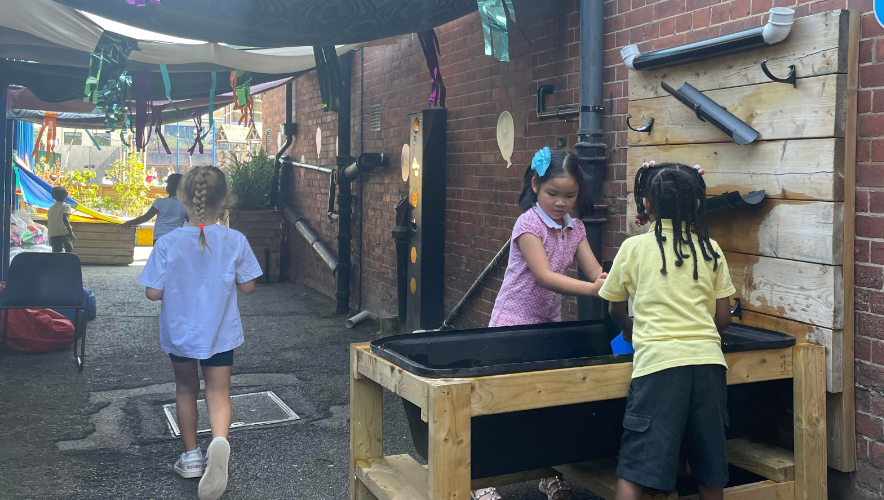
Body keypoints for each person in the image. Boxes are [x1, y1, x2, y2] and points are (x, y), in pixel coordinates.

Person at [598, 162, 733, 500]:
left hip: (657, 366)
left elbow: (614, 306)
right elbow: (723, 317)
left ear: (646, 204)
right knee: (709, 463)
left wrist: (629, 330)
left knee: (638, 463)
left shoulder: (634, 248)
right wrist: (705, 335)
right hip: (708, 365)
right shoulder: (710, 248)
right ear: (697, 204)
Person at [478, 148, 607, 500]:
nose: (561, 203)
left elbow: (595, 272)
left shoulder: (576, 228)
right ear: (535, 185)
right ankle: (481, 477)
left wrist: (615, 281)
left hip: (549, 323)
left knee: (547, 401)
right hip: (513, 323)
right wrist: (595, 290)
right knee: (500, 402)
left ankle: (548, 473)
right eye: (553, 193)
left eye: (570, 195)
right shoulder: (528, 224)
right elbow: (545, 276)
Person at [138, 166, 262, 500]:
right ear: (224, 201)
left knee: (185, 389)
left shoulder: (168, 242)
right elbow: (249, 286)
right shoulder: (235, 240)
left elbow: (153, 292)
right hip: (220, 333)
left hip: (180, 333)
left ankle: (192, 456)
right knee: (219, 392)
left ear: (182, 198)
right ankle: (219, 441)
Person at [123, 173, 187, 243]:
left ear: (168, 187)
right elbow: (190, 221)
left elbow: (146, 218)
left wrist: (130, 222)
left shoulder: (159, 202)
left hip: (159, 238)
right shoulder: (185, 204)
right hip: (177, 238)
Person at [47, 186, 75, 253]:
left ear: (53, 197)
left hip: (53, 233)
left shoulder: (51, 208)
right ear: (66, 196)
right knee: (69, 251)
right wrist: (71, 232)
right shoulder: (66, 206)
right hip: (64, 232)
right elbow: (65, 218)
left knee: (56, 252)